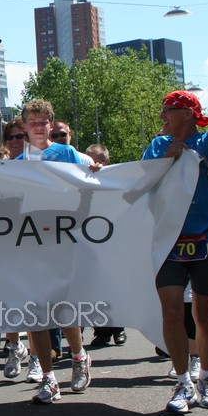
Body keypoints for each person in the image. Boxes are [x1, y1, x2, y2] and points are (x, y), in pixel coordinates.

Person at [142, 90, 208, 413]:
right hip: (168, 241)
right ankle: (182, 382)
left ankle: (206, 376)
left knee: (202, 314)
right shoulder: (158, 145)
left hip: (207, 239)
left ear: (188, 114)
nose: (162, 116)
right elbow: (141, 181)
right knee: (172, 312)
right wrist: (166, 159)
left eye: (168, 110)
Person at [17, 99, 97, 405]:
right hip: (30, 241)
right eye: (33, 122)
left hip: (62, 238)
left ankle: (78, 356)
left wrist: (94, 171)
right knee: (35, 312)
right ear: (25, 126)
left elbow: (89, 179)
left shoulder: (66, 153)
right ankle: (49, 379)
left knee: (63, 307)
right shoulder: (17, 162)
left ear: (51, 125)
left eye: (43, 122)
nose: (38, 127)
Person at [84, 144, 127, 348]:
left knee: (113, 287)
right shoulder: (81, 178)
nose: (93, 164)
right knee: (94, 289)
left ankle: (118, 329)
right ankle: (101, 332)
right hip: (89, 238)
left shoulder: (114, 179)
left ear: (106, 161)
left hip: (110, 238)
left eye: (96, 160)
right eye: (89, 159)